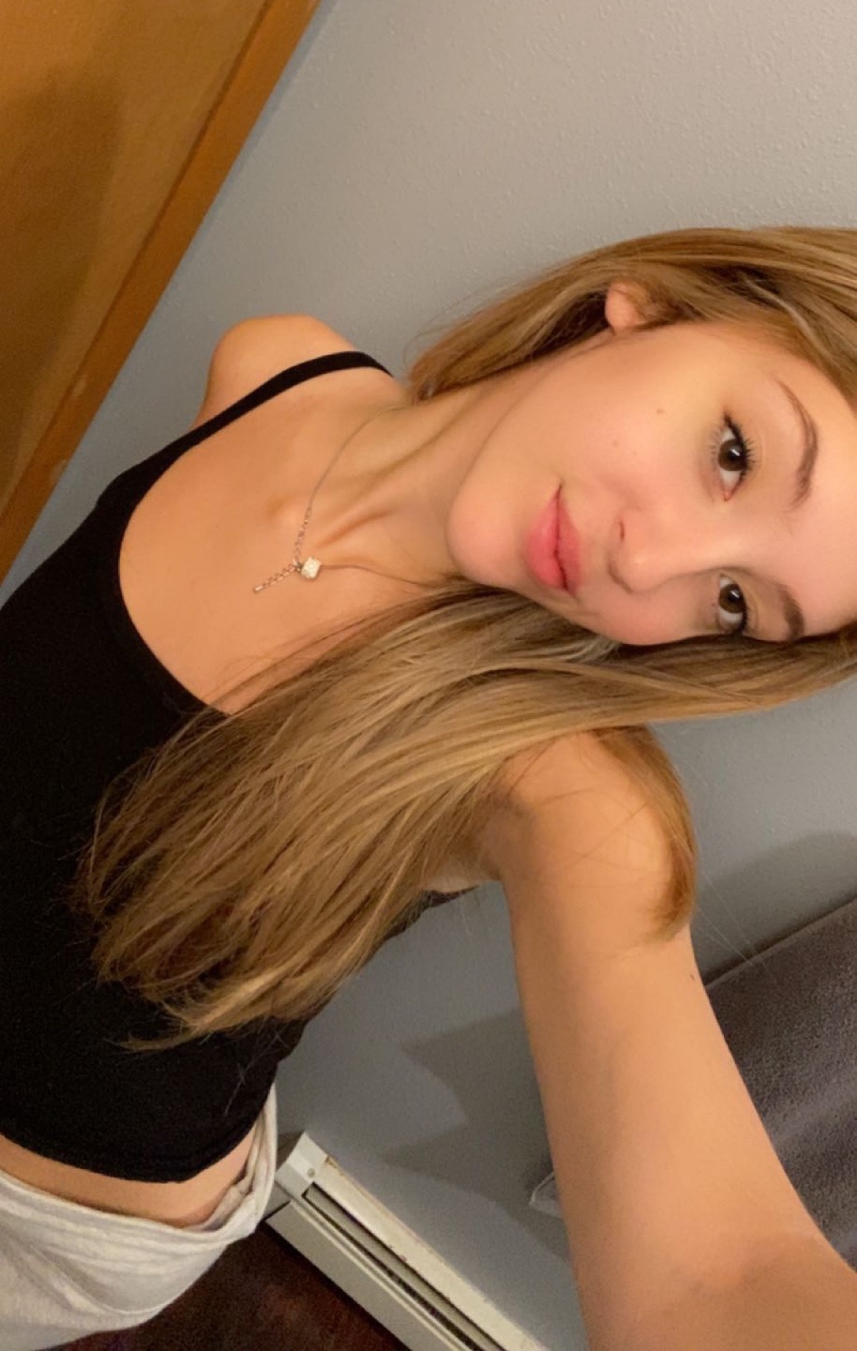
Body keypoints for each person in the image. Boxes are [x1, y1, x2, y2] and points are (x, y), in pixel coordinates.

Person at [2, 224, 857, 1349]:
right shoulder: (273, 368)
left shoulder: (543, 771)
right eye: (732, 455)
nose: (649, 563)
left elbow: (721, 1276)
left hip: (38, 1219)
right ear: (653, 303)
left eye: (733, 601)